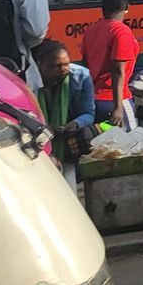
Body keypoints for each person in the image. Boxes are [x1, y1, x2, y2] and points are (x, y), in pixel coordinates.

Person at [33, 39, 95, 185]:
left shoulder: (81, 76)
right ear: (40, 65)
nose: (63, 70)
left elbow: (88, 113)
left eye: (66, 64)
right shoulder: (29, 81)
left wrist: (76, 124)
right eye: (56, 66)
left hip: (68, 143)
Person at [79, 0, 140, 131]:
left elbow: (86, 65)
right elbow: (118, 71)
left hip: (94, 101)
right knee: (130, 146)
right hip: (116, 100)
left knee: (104, 148)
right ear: (127, 8)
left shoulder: (92, 30)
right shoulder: (121, 31)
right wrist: (118, 108)